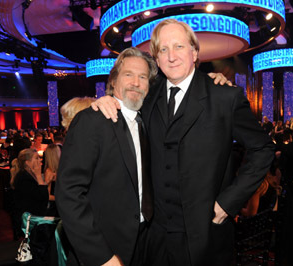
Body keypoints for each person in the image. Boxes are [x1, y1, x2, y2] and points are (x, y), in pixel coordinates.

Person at [92, 19, 274, 266]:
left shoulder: (224, 97)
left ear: (194, 52)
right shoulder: (147, 94)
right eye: (163, 49)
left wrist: (229, 202)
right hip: (154, 238)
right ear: (156, 59)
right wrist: (105, 101)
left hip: (205, 237)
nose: (171, 56)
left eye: (179, 46)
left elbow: (262, 148)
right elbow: (124, 100)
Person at [56, 47, 158, 266]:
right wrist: (100, 256)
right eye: (128, 74)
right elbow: (69, 193)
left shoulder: (147, 122)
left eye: (143, 77)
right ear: (113, 82)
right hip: (105, 247)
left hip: (144, 242)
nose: (136, 82)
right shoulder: (92, 120)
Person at [11, 148, 49, 220]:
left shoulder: (29, 174)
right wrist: (39, 175)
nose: (39, 160)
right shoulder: (24, 178)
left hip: (33, 214)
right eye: (36, 158)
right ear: (27, 163)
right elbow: (43, 198)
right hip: (29, 220)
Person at [43, 144, 61, 216]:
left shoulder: (60, 168)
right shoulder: (49, 171)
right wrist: (61, 199)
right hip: (55, 207)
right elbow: (47, 195)